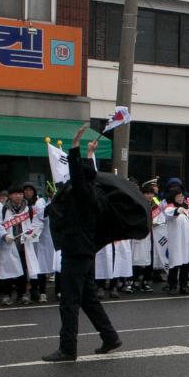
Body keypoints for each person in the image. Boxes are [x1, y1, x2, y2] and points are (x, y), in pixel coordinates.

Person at [42, 125, 121, 362]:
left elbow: (79, 176)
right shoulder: (95, 195)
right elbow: (87, 175)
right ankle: (110, 337)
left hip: (76, 252)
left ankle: (68, 349)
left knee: (69, 301)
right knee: (87, 298)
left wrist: (75, 146)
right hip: (85, 252)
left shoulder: (84, 195)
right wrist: (89, 154)